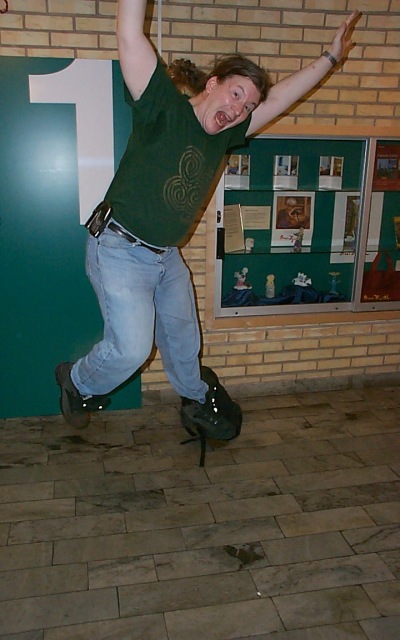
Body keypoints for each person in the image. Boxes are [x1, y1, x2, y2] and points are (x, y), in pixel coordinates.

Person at [56, 0, 360, 443]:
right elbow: (130, 35)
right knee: (132, 350)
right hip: (119, 248)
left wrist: (331, 57)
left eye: (247, 106)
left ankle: (196, 400)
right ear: (213, 83)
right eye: (236, 94)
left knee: (184, 342)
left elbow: (279, 98)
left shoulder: (227, 135)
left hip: (165, 257)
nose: (239, 110)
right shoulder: (162, 105)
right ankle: (76, 382)